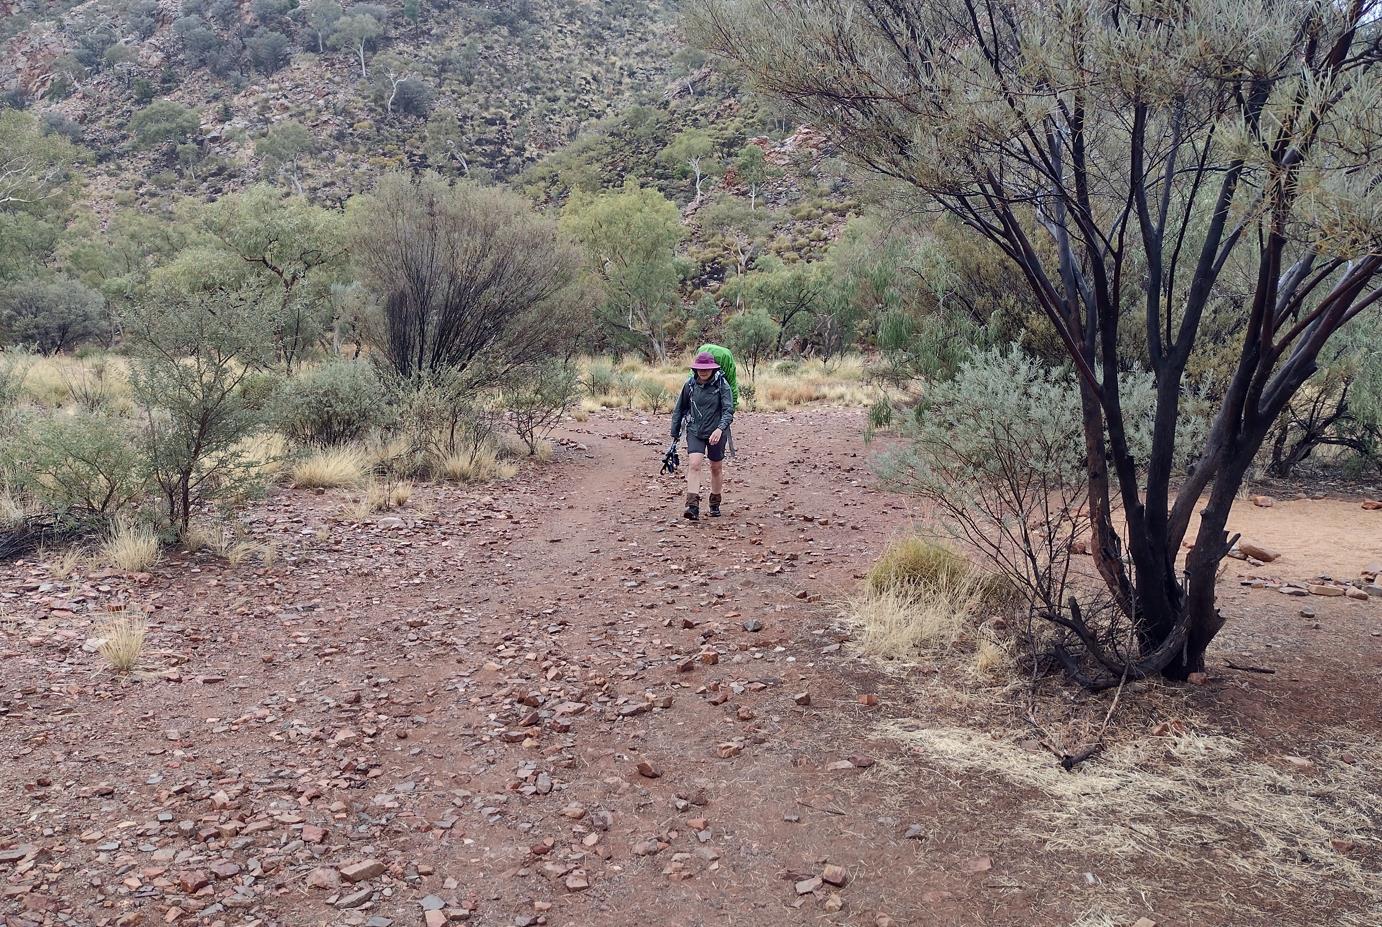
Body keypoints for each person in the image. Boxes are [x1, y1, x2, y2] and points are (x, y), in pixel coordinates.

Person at [669, 350, 734, 520]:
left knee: (715, 467)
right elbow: (679, 409)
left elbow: (728, 410)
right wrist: (675, 432)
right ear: (695, 369)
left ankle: (714, 502)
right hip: (695, 430)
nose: (703, 371)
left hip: (717, 432)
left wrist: (720, 429)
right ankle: (692, 505)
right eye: (699, 368)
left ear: (713, 369)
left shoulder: (722, 385)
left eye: (706, 368)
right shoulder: (689, 385)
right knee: (694, 464)